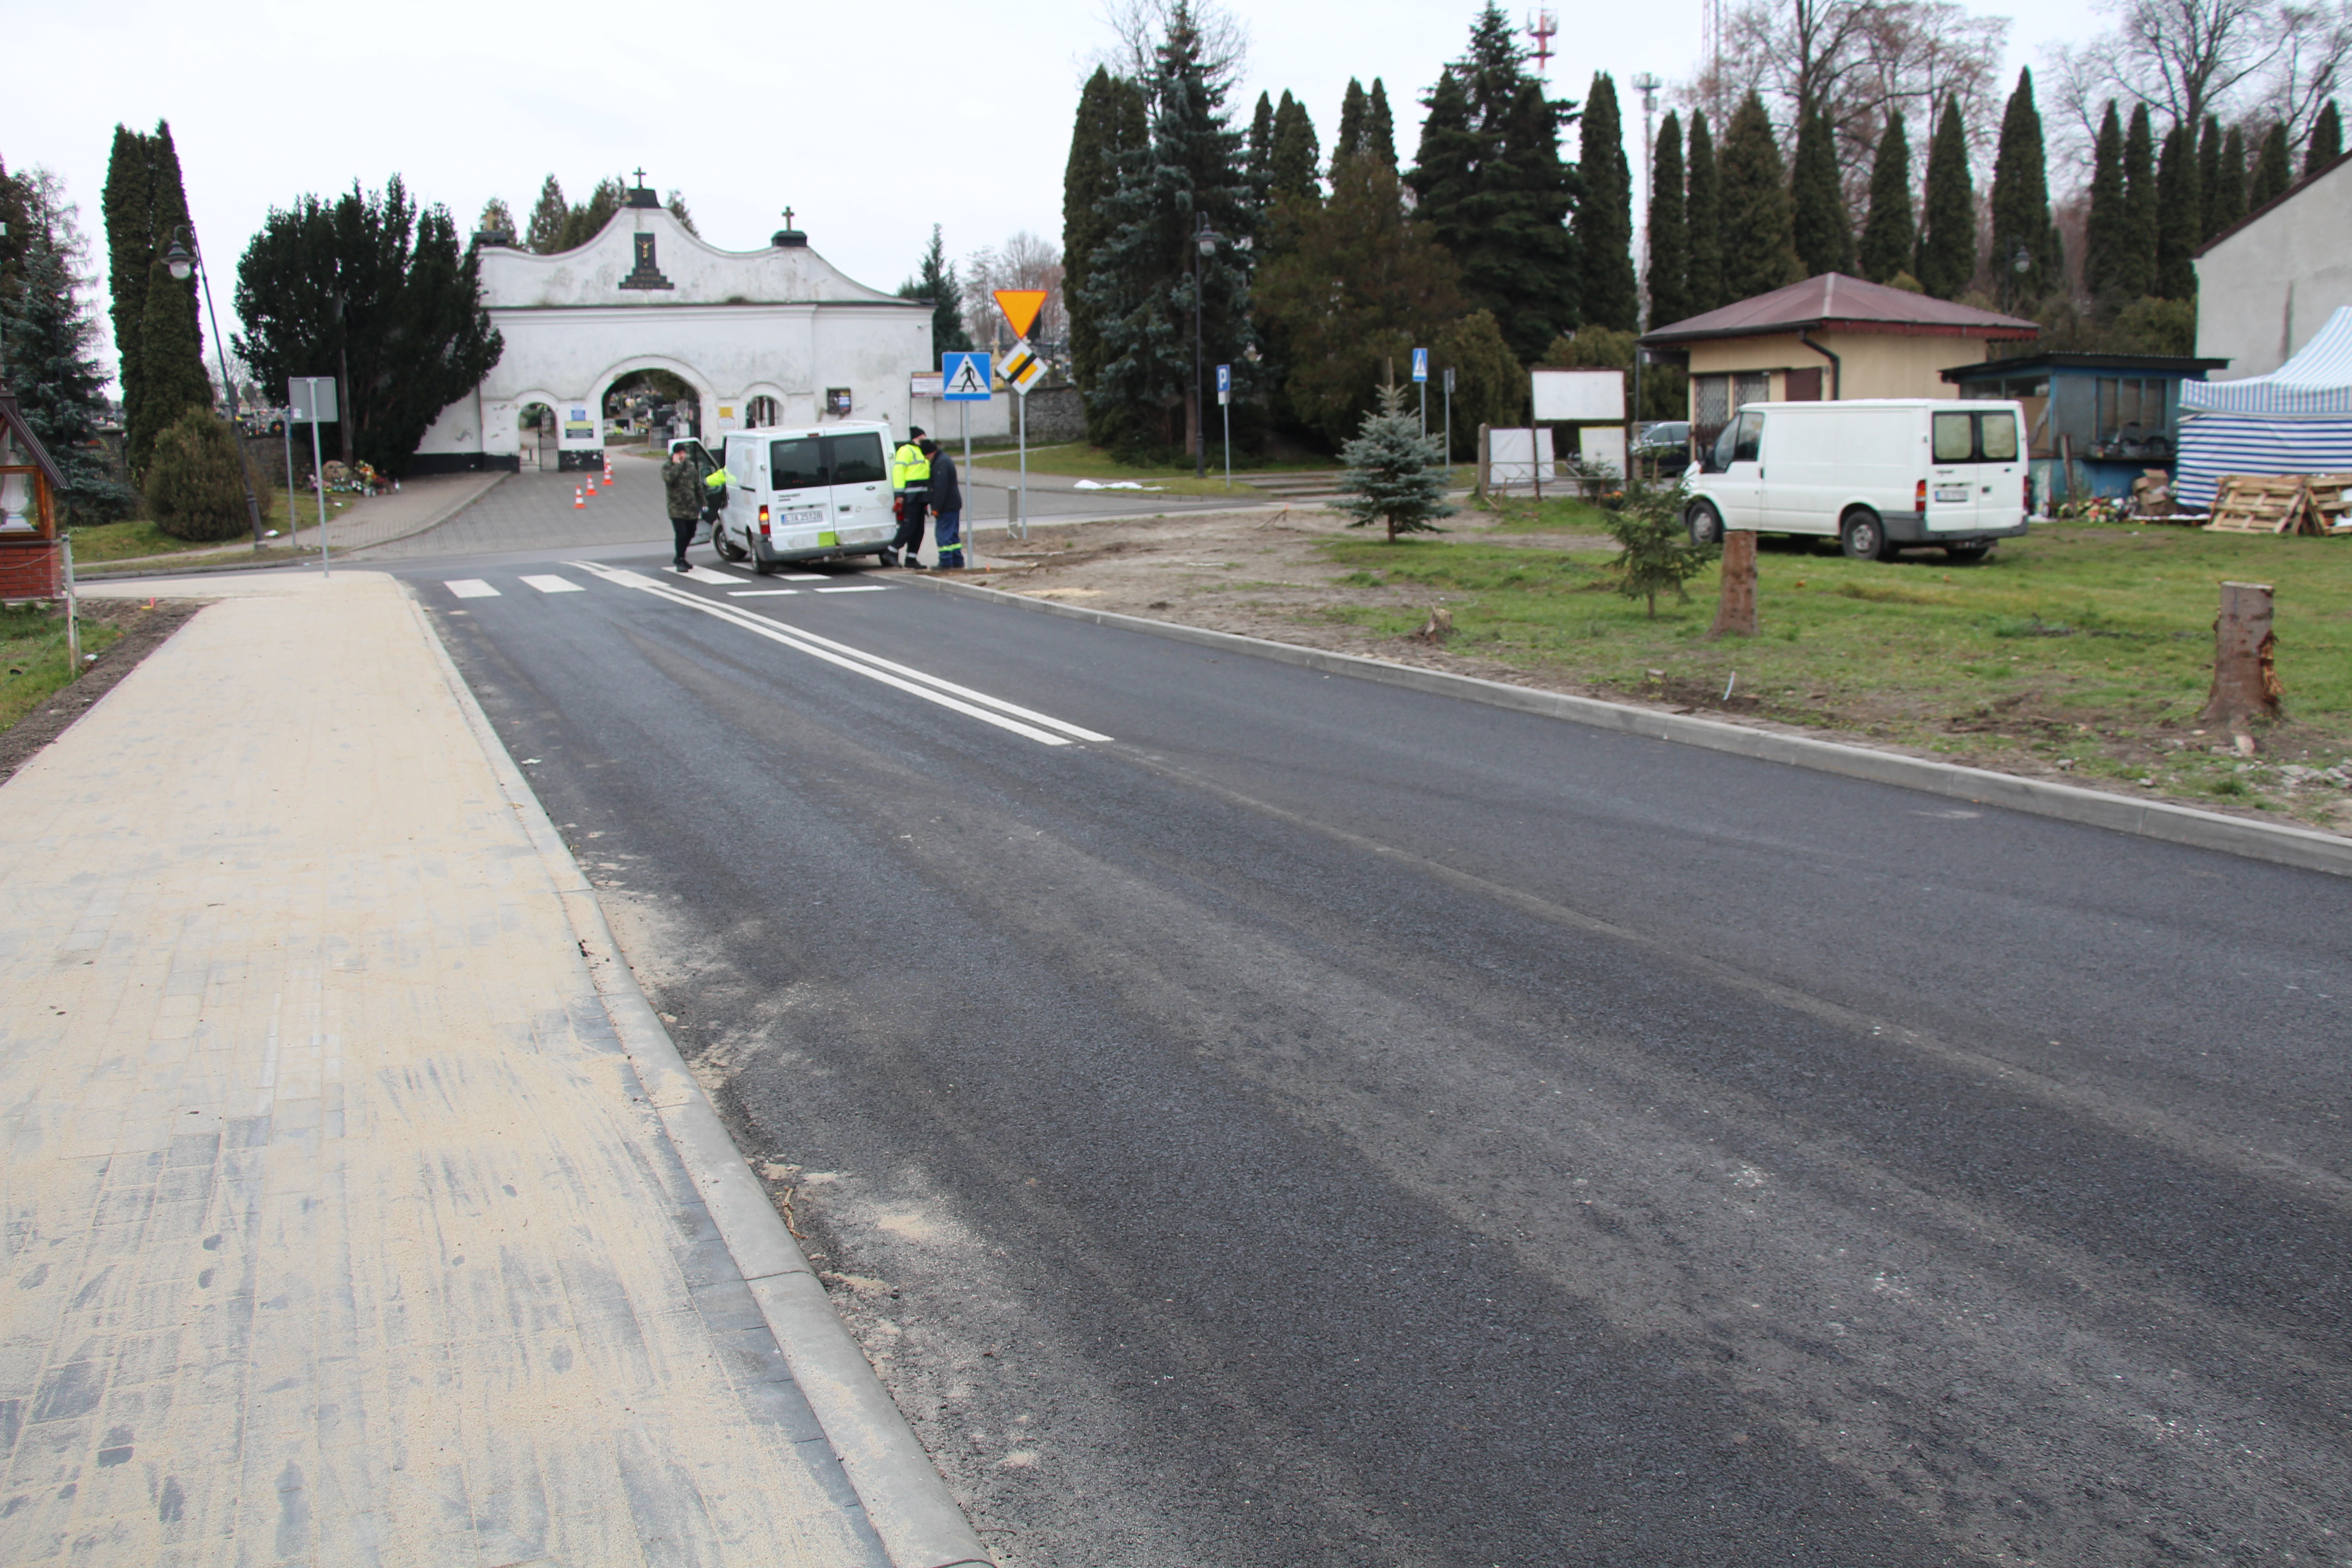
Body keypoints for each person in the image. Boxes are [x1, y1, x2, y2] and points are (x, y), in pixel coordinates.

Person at [887, 426, 929, 568]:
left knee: (919, 529)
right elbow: (898, 472)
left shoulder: (922, 452)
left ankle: (912, 558)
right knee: (909, 526)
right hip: (910, 496)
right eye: (924, 436)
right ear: (919, 437)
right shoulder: (906, 450)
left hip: (921, 497)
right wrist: (899, 495)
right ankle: (891, 551)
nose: (926, 439)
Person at [925, 439, 965, 569]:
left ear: (930, 453)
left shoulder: (940, 463)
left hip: (946, 506)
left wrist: (936, 508)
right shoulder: (944, 459)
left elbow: (940, 488)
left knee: (943, 535)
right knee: (953, 535)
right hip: (953, 505)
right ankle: (958, 561)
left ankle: (946, 563)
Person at [662, 446, 704, 571]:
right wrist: (677, 465)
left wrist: (703, 502)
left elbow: (698, 485)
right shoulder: (668, 467)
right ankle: (680, 559)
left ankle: (681, 556)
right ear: (674, 454)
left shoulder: (691, 466)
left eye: (683, 453)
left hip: (691, 507)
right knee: (681, 533)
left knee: (691, 532)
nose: (682, 455)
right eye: (679, 453)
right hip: (677, 507)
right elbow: (669, 479)